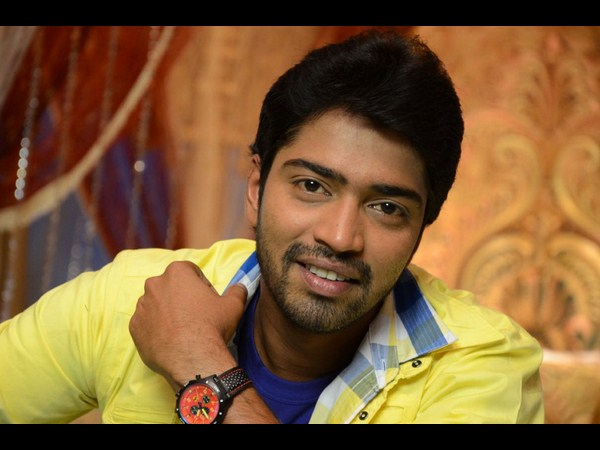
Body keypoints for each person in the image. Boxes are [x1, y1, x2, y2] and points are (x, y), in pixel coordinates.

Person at [0, 29, 545, 424]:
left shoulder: (482, 363)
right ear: (256, 187)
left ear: (425, 221)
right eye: (312, 185)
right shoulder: (137, 296)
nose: (339, 237)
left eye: (386, 207)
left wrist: (200, 363)